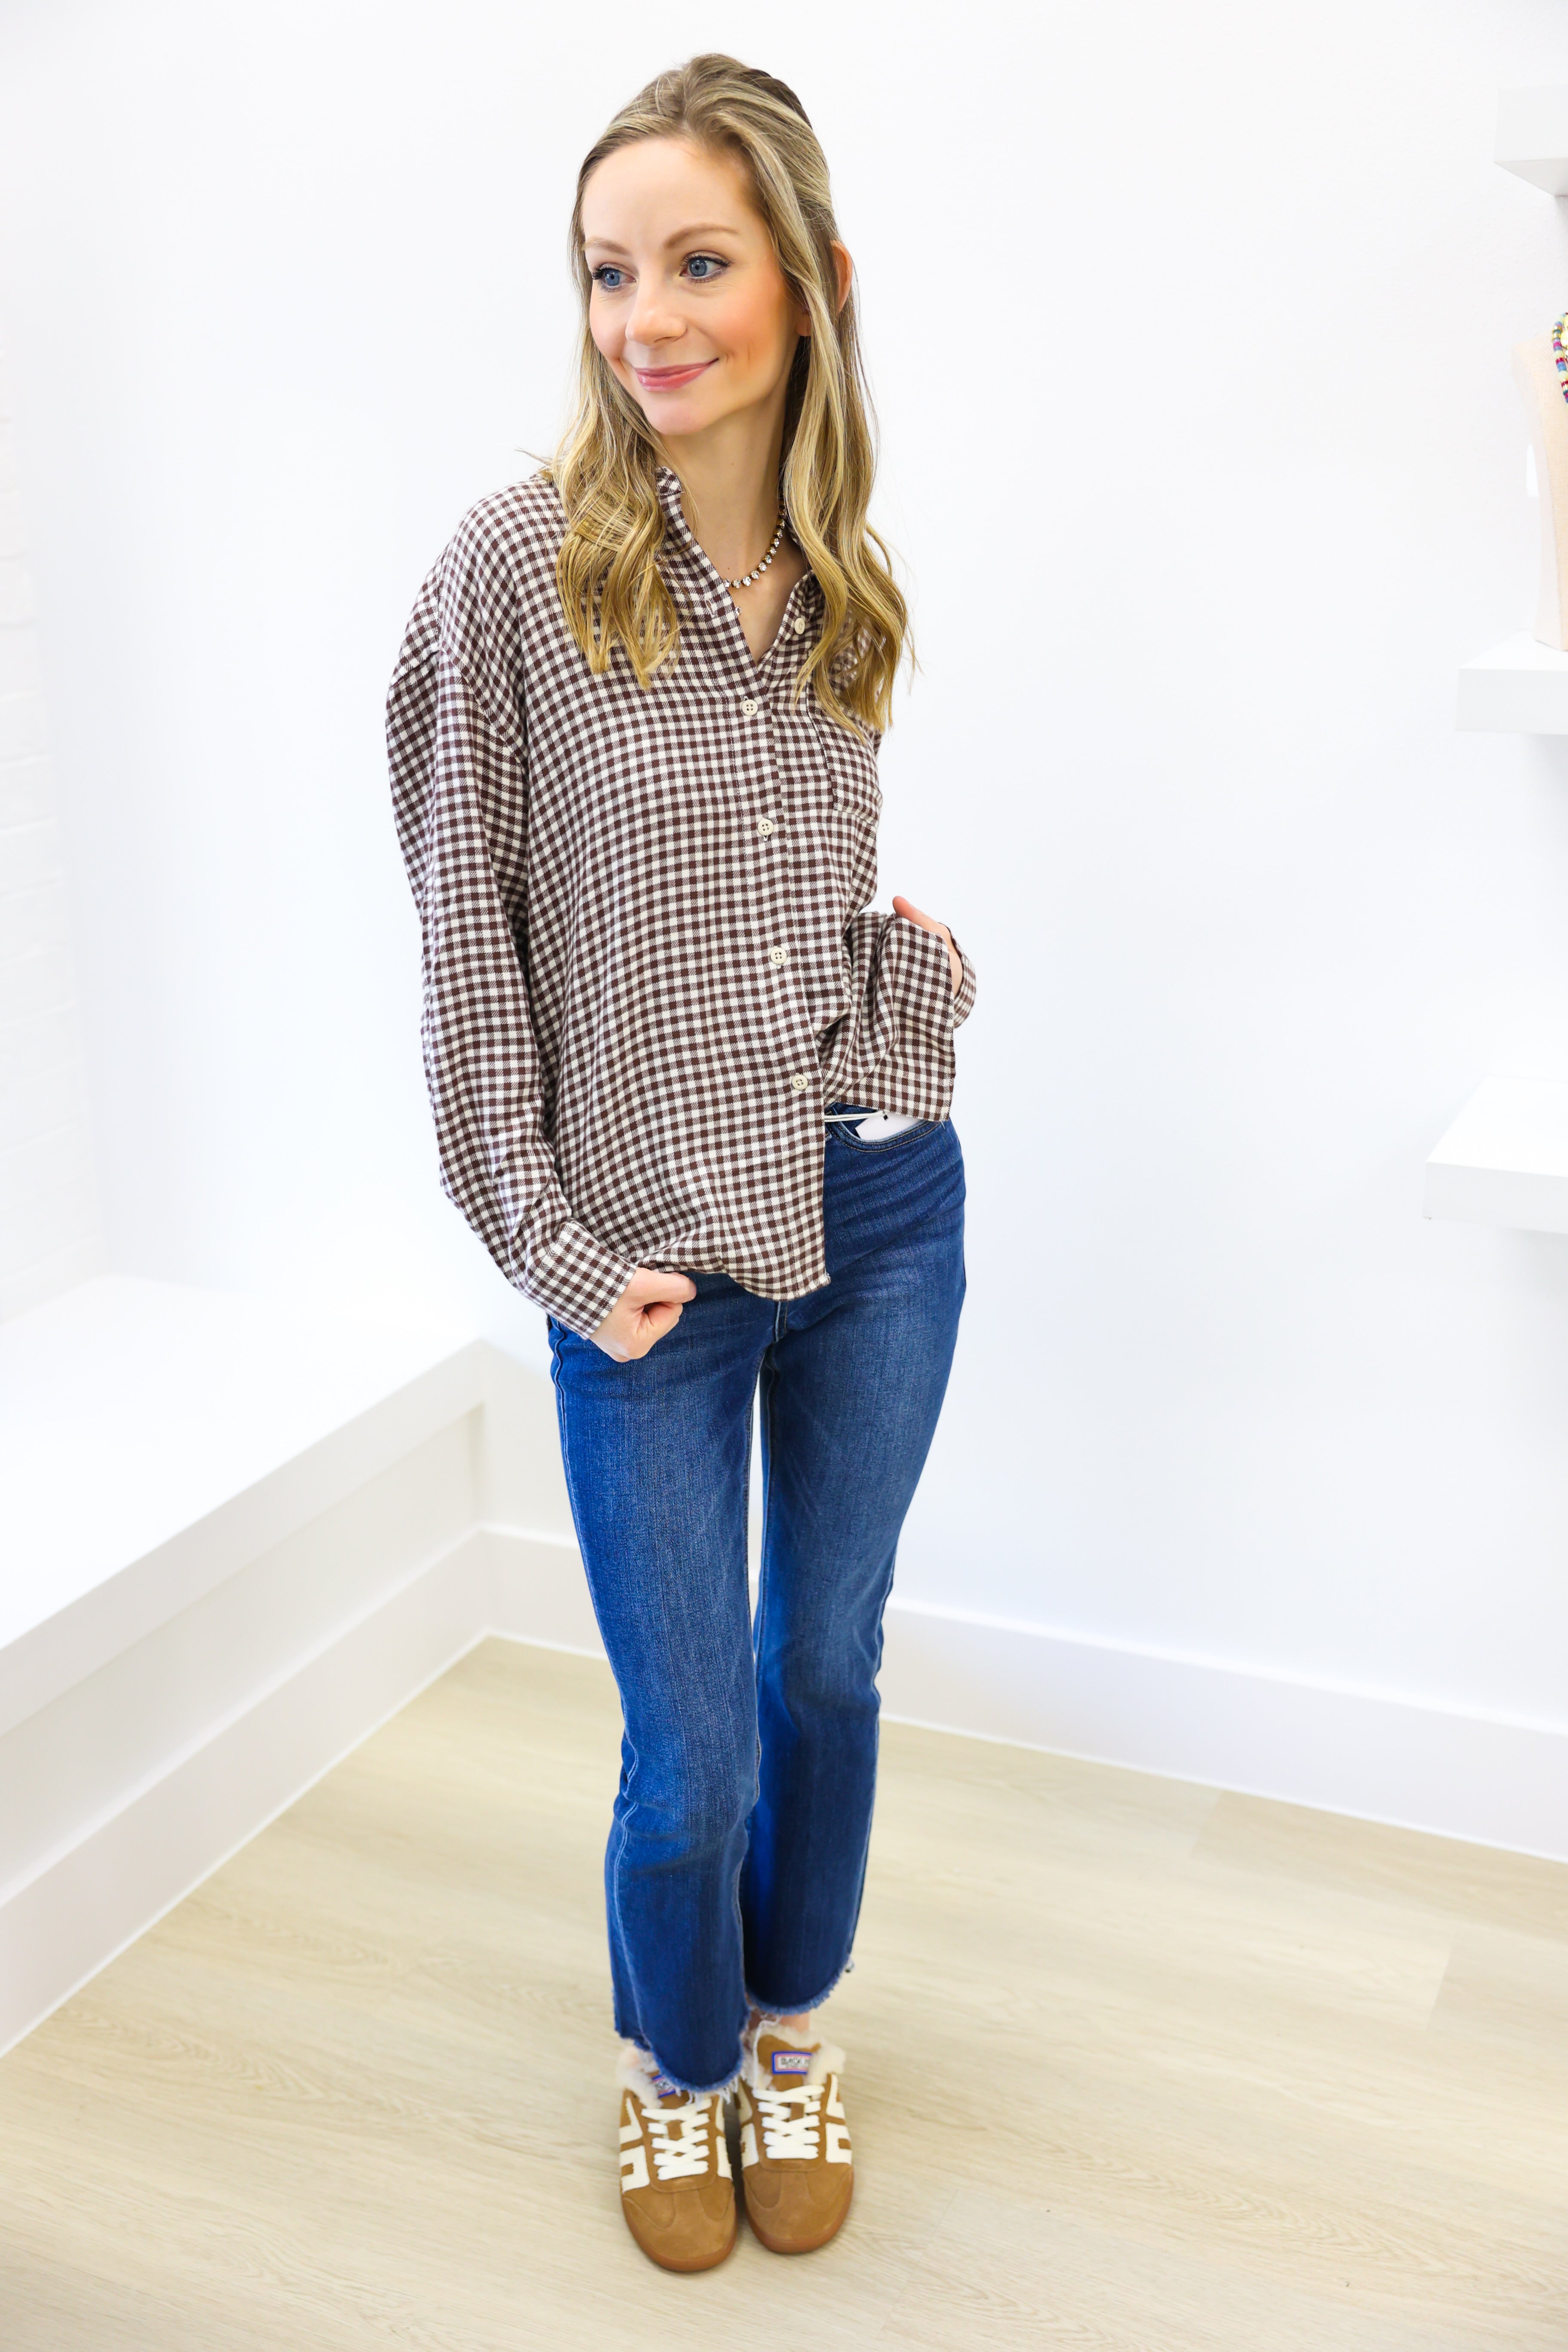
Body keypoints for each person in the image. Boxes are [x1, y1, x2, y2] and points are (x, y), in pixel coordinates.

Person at [387, 52, 974, 2273]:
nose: (644, 318)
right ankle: (678, 2062)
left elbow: (809, 918)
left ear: (810, 284)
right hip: (639, 1258)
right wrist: (545, 1243)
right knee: (693, 1743)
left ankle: (790, 2023)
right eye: (608, 271)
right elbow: (471, 952)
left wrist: (918, 994)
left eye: (697, 264)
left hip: (877, 1211)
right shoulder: (512, 576)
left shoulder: (845, 578)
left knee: (828, 1664)